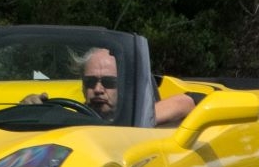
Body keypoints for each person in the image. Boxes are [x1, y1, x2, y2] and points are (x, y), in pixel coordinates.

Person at [48, 45, 197, 126]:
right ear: (82, 85)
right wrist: (34, 108)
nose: (98, 90)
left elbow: (186, 103)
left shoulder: (139, 115)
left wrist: (136, 117)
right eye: (90, 82)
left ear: (125, 85)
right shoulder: (71, 118)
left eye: (109, 82)